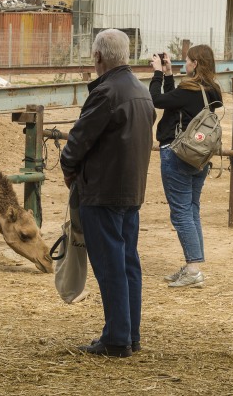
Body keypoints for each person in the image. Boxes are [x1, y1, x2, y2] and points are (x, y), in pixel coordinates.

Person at [60, 29, 155, 358]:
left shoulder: (106, 93)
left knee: (110, 267)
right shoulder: (141, 91)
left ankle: (116, 339)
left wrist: (68, 168)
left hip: (102, 192)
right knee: (128, 264)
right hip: (131, 192)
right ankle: (131, 334)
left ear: (98, 57)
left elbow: (79, 139)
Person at [149, 45, 222, 288]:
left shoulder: (187, 89)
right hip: (199, 155)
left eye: (188, 61)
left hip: (177, 153)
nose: (185, 63)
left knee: (181, 213)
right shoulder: (211, 90)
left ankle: (193, 269)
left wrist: (158, 74)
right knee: (191, 210)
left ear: (195, 64)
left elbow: (157, 100)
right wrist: (170, 75)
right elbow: (174, 104)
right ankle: (193, 264)